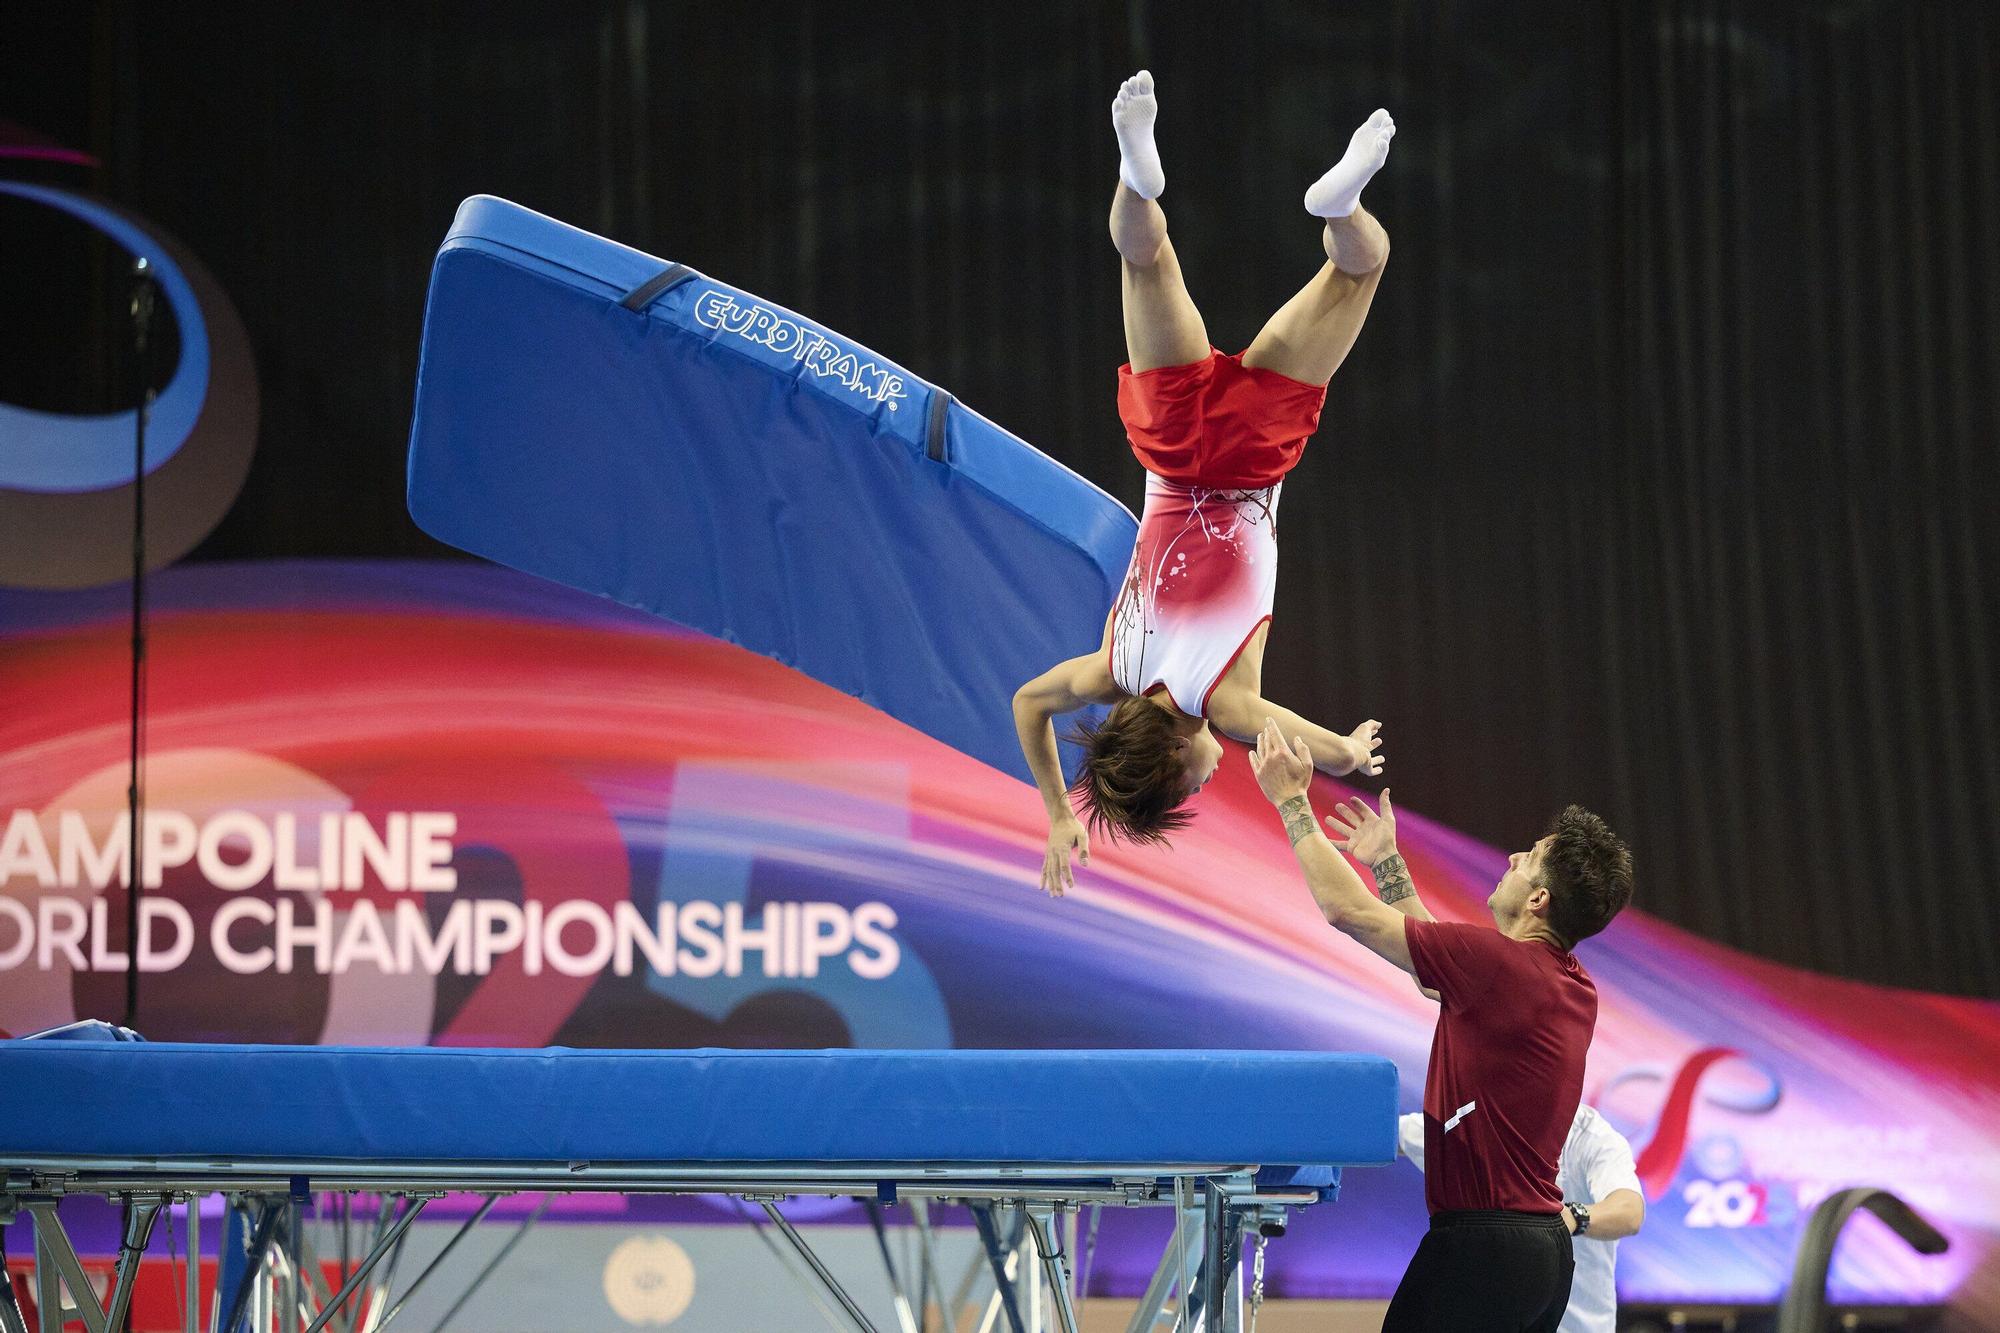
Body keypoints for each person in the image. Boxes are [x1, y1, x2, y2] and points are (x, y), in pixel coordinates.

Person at [1014, 71, 1391, 896]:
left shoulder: (1223, 704)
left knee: (1363, 268)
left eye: (1187, 789)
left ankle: (1341, 211)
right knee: (1144, 260)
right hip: (1170, 442)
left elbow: (1304, 743)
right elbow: (1027, 705)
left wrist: (1345, 753)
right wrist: (1056, 810)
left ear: (1175, 757)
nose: (1205, 783)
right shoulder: (1108, 669)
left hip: (1253, 453)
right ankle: (1136, 170)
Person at [1246, 720, 1634, 1332]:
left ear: (1539, 901)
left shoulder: (1501, 966)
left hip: (1483, 1250)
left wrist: (1292, 803)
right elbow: (1436, 977)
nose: (1512, 859)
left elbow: (1347, 911)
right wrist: (1387, 861)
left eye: (1528, 859)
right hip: (1542, 1256)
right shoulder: (1570, 985)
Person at [1399, 1104, 1647, 1333]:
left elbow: (1630, 1212)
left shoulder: (1591, 1135)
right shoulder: (1469, 1122)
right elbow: (1388, 1133)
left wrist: (1571, 1218)